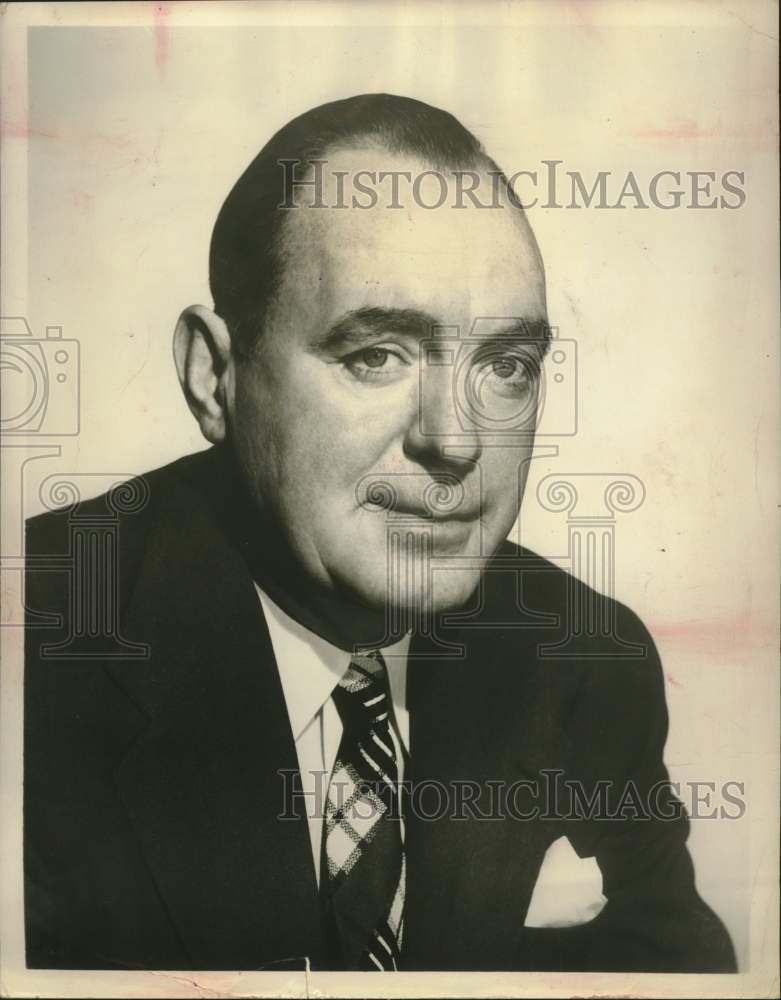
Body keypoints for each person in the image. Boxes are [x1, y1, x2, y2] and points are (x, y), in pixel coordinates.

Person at [24, 93, 736, 973]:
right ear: (215, 377)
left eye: (505, 366)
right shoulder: (39, 643)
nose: (456, 439)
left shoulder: (584, 662)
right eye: (376, 356)